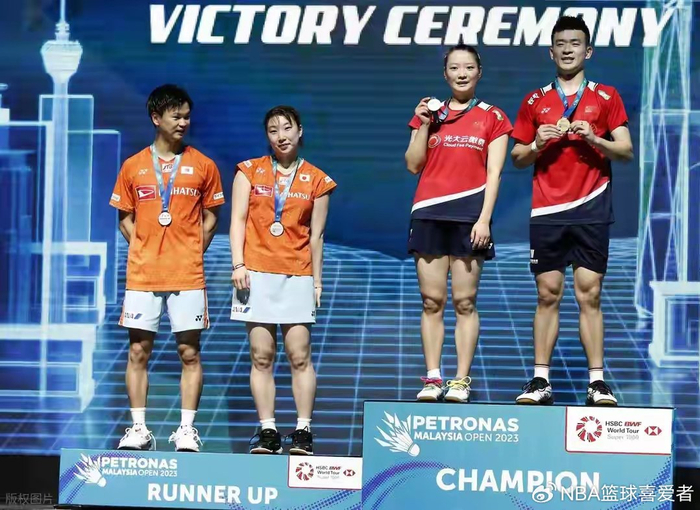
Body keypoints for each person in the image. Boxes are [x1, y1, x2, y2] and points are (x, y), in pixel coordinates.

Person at [511, 16, 633, 406]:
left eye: (575, 43)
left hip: (591, 207)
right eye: (561, 44)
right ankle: (540, 380)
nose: (568, 49)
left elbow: (626, 151)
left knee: (589, 293)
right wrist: (537, 145)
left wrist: (595, 138)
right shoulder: (534, 101)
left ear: (588, 51)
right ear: (551, 52)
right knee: (548, 294)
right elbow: (517, 157)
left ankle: (597, 382)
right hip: (548, 210)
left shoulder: (606, 96)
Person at [109, 84, 225, 451]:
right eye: (176, 116)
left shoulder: (204, 165)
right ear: (156, 118)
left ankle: (187, 430)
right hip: (143, 275)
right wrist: (146, 249)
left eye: (187, 116)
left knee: (189, 353)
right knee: (138, 352)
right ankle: (138, 429)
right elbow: (124, 219)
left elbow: (211, 218)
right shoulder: (133, 166)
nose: (183, 122)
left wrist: (190, 251)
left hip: (187, 275)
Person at [405, 44, 512, 403]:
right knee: (431, 301)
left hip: (469, 218)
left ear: (479, 72)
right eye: (454, 67)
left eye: (468, 67)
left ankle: (460, 381)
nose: (461, 73)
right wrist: (423, 124)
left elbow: (495, 173)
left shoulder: (493, 117)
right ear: (445, 74)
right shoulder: (429, 114)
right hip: (428, 214)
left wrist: (484, 219)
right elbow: (413, 164)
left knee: (464, 302)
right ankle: (433, 378)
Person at [230, 105, 336, 455]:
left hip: (297, 274)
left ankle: (303, 430)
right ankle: (268, 431)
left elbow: (317, 236)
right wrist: (238, 264)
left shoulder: (318, 180)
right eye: (273, 130)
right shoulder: (248, 171)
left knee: (299, 355)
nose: (281, 136)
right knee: (261, 356)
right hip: (255, 274)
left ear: (300, 131)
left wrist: (317, 282)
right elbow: (237, 221)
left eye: (287, 128)